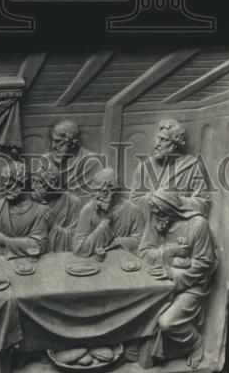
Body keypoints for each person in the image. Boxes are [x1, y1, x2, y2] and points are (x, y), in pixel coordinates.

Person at [140, 190, 217, 369]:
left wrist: (174, 273)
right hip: (158, 280)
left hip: (192, 286)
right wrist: (170, 253)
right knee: (140, 308)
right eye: (154, 212)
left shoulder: (198, 225)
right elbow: (144, 252)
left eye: (159, 212)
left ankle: (195, 344)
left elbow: (203, 264)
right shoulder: (156, 218)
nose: (156, 216)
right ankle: (145, 347)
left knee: (167, 323)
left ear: (172, 208)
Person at [130, 119, 211, 218]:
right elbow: (134, 201)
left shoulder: (193, 167)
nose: (156, 145)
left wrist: (175, 201)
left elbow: (203, 204)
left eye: (164, 140)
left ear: (175, 144)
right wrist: (155, 200)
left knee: (200, 224)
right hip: (151, 221)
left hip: (180, 221)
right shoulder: (145, 167)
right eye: (158, 138)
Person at [72, 167, 144, 257]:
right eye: (95, 191)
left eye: (103, 191)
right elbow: (79, 249)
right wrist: (104, 224)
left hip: (124, 263)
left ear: (114, 191)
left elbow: (141, 243)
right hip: (94, 262)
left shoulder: (132, 211)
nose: (97, 196)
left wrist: (119, 242)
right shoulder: (87, 211)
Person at [0, 160, 49, 258]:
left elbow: (38, 245)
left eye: (10, 185)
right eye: (4, 185)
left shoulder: (39, 210)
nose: (6, 189)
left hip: (30, 265)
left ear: (22, 183)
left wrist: (4, 240)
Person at [29, 156, 81, 252]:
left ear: (51, 186)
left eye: (39, 182)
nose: (33, 186)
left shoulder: (72, 202)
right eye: (33, 181)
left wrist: (53, 225)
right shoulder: (33, 200)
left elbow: (76, 239)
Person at [47, 119, 102, 195]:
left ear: (72, 141)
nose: (53, 146)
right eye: (53, 141)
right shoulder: (47, 161)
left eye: (58, 141)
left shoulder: (92, 162)